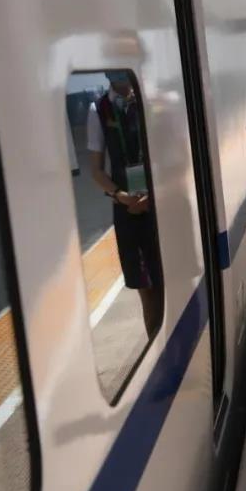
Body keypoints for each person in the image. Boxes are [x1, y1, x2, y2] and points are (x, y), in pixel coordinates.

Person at [87, 71, 163, 340]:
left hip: (162, 204)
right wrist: (119, 196)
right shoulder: (98, 110)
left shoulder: (154, 100)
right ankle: (157, 345)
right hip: (127, 210)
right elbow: (96, 170)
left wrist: (155, 195)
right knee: (146, 287)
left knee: (168, 280)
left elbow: (173, 154)